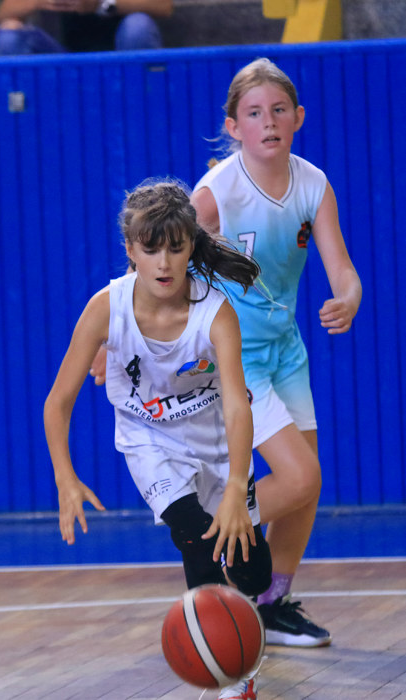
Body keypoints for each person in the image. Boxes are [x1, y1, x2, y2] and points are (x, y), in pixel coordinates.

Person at [44, 180, 272, 699]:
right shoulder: (107, 308)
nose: (164, 263)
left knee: (253, 572)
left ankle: (249, 610)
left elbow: (238, 405)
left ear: (191, 246)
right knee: (194, 532)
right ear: (130, 250)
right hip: (149, 438)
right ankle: (229, 674)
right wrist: (65, 478)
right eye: (150, 250)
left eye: (175, 248)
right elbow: (57, 403)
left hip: (215, 437)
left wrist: (236, 484)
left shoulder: (215, 313)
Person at [190, 57, 362, 648]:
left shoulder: (313, 184)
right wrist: (115, 335)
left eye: (279, 110)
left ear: (298, 118)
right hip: (233, 355)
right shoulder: (215, 195)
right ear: (233, 126)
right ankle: (209, 531)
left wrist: (348, 297)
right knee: (300, 476)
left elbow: (342, 268)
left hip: (287, 350)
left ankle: (269, 603)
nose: (269, 121)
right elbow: (157, 267)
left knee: (307, 486)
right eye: (255, 113)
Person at [0, 0, 172, 56]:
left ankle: (144, 108)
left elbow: (163, 6)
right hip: (67, 60)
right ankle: (21, 122)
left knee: (138, 25)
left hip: (125, 56)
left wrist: (101, 4)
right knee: (10, 33)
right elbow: (3, 13)